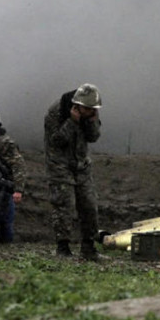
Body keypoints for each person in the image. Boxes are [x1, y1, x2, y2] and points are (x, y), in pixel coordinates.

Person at [44, 83, 103, 260]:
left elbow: (94, 137)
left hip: (82, 165)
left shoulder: (91, 112)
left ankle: (89, 248)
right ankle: (63, 248)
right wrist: (72, 122)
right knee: (64, 205)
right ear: (77, 106)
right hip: (59, 165)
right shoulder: (56, 112)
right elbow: (56, 141)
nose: (90, 112)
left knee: (89, 205)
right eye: (87, 109)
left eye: (92, 109)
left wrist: (91, 121)